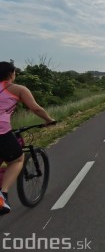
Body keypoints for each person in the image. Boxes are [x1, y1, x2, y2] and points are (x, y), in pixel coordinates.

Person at [0, 61, 55, 215]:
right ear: (11, 74)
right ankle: (2, 195)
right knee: (17, 159)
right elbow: (36, 108)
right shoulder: (17, 89)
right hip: (2, 132)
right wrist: (49, 120)